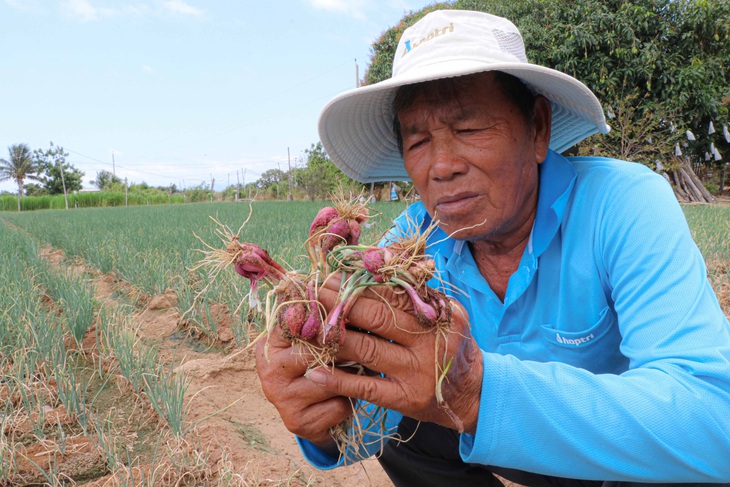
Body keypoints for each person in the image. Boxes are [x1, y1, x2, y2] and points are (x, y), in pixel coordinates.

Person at [255, 9, 730, 486]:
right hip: (492, 442)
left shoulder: (622, 204)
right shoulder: (407, 247)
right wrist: (322, 415)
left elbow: (714, 419)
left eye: (469, 130)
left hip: (611, 459)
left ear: (538, 129)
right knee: (406, 411)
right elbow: (373, 416)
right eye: (418, 141)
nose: (441, 167)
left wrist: (477, 395)